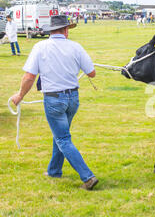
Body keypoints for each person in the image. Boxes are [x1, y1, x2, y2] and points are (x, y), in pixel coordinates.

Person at [10, 15, 99, 190]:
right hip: (73, 98)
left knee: (63, 138)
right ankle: (54, 170)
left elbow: (29, 77)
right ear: (66, 30)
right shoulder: (76, 47)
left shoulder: (40, 47)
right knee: (61, 134)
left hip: (53, 99)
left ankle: (88, 177)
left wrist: (20, 95)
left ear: (51, 31)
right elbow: (92, 73)